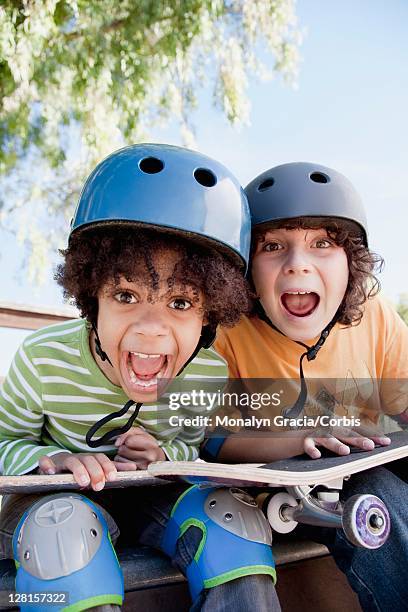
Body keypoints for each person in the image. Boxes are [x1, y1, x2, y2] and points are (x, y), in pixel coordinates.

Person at [0, 144, 279, 611]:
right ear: (91, 299)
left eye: (181, 303)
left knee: (234, 526)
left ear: (211, 314)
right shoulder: (42, 359)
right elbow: (4, 442)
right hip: (53, 503)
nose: (152, 328)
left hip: (150, 497)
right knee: (64, 538)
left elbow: (191, 446)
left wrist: (164, 454)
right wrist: (53, 460)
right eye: (126, 296)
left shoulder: (207, 374)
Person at [209, 162, 408, 611]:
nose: (298, 264)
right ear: (245, 275)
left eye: (322, 244)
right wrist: (301, 438)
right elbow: (213, 438)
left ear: (350, 265)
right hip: (287, 498)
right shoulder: (228, 331)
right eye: (273, 247)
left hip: (374, 473)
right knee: (376, 492)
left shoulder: (373, 315)